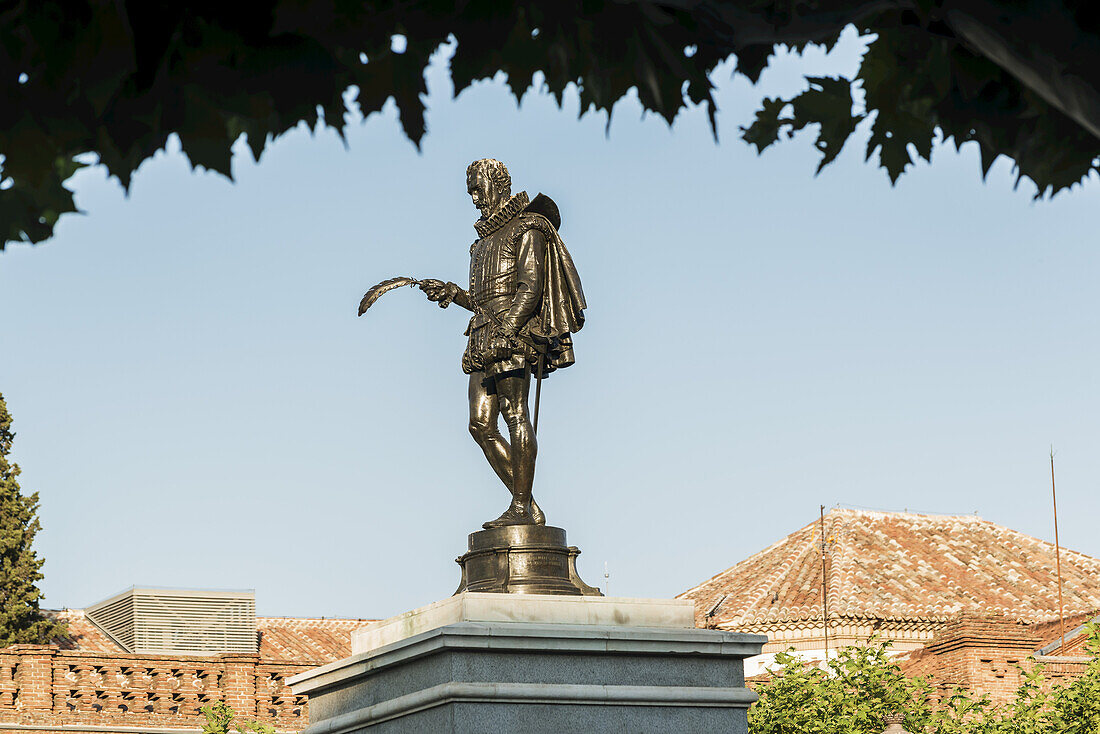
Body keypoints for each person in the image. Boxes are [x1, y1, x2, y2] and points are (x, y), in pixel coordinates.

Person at [419, 159, 585, 528]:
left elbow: (531, 285)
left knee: (515, 415)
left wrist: (509, 330)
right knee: (479, 425)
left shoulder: (527, 228)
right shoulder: (479, 245)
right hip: (480, 336)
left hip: (513, 336)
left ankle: (522, 507)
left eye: (479, 189)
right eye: (471, 193)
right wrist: (452, 293)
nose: (476, 199)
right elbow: (482, 300)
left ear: (499, 184)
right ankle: (526, 502)